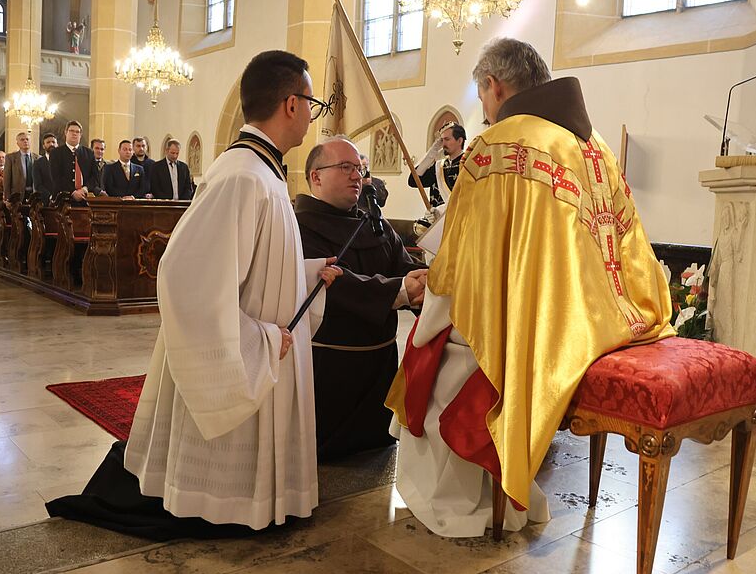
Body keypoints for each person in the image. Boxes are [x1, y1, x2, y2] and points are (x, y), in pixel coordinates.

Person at [47, 49, 343, 539]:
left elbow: (252, 265)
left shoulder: (261, 172)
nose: (312, 116)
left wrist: (306, 275)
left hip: (268, 341)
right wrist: (258, 338)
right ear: (291, 104)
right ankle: (220, 501)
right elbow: (186, 276)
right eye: (312, 104)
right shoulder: (242, 175)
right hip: (245, 350)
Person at [385, 38, 675, 538]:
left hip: (528, 333)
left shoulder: (498, 144)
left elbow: (462, 264)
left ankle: (463, 503)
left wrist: (430, 308)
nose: (484, 106)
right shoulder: (595, 146)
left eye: (482, 95)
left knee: (430, 357)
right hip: (600, 325)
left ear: (494, 85)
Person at [296, 137, 426, 460]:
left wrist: (430, 281)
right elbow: (332, 283)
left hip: (380, 370)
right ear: (316, 176)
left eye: (359, 168)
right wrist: (400, 290)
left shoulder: (373, 222)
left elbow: (404, 266)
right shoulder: (298, 226)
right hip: (332, 373)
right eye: (345, 167)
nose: (357, 175)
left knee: (378, 454)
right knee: (331, 464)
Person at [407, 122, 466, 207]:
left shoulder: (467, 164)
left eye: (447, 139)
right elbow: (413, 181)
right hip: (437, 215)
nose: (443, 144)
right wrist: (431, 153)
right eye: (442, 140)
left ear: (460, 141)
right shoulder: (439, 166)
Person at [50, 120, 104, 202]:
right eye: (71, 131)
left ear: (80, 135)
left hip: (84, 197)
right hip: (62, 199)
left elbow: (94, 177)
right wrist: (73, 192)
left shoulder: (89, 153)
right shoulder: (56, 153)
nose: (74, 134)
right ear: (66, 132)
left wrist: (84, 189)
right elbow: (56, 177)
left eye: (77, 132)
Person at [4, 132, 39, 200]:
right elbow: (7, 180)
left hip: (34, 194)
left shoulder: (37, 158)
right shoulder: (11, 158)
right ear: (17, 143)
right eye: (22, 140)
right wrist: (7, 198)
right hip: (17, 195)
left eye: (27, 139)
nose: (25, 141)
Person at [33, 133, 57, 201]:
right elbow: (38, 185)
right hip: (46, 200)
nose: (51, 144)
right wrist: (50, 196)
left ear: (57, 144)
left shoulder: (63, 161)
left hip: (62, 200)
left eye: (53, 142)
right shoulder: (38, 163)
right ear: (43, 146)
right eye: (48, 142)